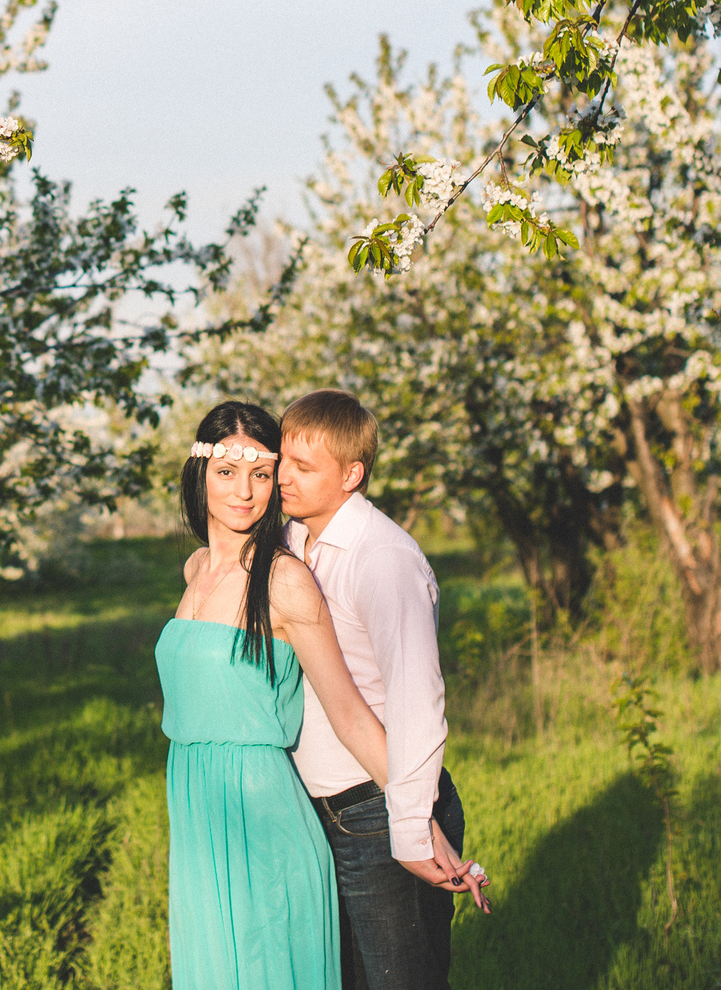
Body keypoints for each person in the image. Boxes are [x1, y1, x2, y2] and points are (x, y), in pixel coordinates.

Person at [160, 400, 406, 990]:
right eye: (227, 473)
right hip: (197, 816)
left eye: (261, 474)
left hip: (262, 822)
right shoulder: (196, 569)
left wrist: (424, 813)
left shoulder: (284, 580)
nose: (244, 491)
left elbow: (349, 713)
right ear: (201, 474)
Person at [278, 388, 486, 990]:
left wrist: (411, 830)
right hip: (319, 811)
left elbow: (416, 700)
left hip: (378, 808)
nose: (283, 478)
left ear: (351, 474)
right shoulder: (295, 541)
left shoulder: (383, 558)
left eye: (303, 466)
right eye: (284, 459)